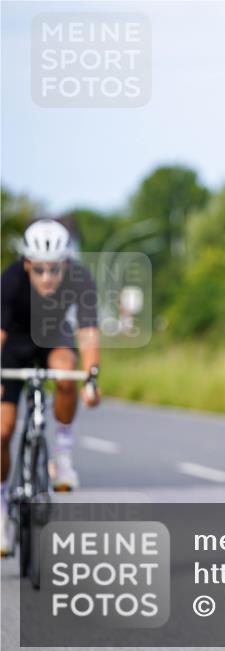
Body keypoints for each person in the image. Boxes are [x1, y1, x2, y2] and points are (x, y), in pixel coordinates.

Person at [1, 219, 101, 556]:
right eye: (40, 270)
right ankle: (1, 508)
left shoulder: (80, 279)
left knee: (65, 371)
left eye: (55, 270)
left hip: (54, 340)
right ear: (27, 264)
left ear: (66, 265)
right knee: (2, 430)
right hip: (13, 347)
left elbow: (87, 332)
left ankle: (63, 452)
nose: (47, 278)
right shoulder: (11, 280)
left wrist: (92, 378)